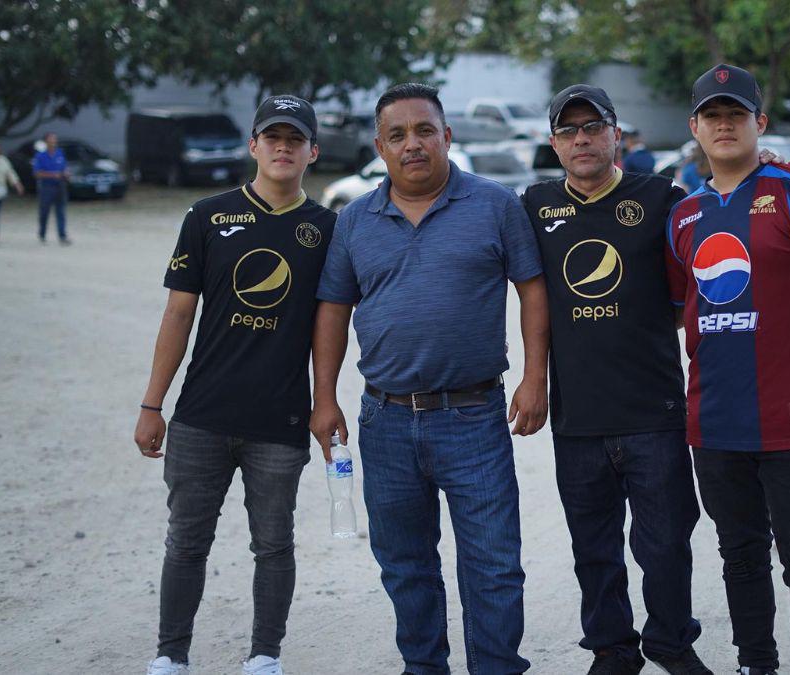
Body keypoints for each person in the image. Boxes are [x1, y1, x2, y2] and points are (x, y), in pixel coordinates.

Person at [309, 83, 550, 675]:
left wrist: (534, 377)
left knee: (493, 565)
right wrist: (323, 399)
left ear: (448, 135)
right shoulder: (356, 220)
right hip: (384, 421)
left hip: (474, 417)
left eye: (424, 131)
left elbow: (533, 289)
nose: (412, 144)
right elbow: (333, 311)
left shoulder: (495, 205)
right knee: (406, 565)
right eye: (397, 135)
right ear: (380, 146)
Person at [665, 64, 790, 675]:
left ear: (761, 122)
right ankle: (757, 664)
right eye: (712, 116)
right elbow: (679, 312)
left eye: (737, 114)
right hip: (716, 419)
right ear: (695, 127)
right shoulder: (682, 216)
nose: (724, 125)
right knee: (740, 556)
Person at [133, 94, 334, 675]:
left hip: (280, 422)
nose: (282, 147)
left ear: (312, 152)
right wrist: (153, 404)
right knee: (186, 544)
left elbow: (329, 325)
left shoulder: (326, 229)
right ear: (253, 146)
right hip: (201, 416)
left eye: (295, 139)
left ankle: (265, 657)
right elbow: (177, 316)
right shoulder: (207, 216)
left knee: (273, 546)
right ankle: (171, 656)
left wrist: (325, 401)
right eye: (272, 137)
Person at [520, 84, 710, 675]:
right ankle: (612, 648)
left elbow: (724, 211)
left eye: (592, 127)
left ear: (615, 134)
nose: (581, 139)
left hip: (654, 410)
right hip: (578, 415)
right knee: (594, 549)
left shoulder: (663, 198)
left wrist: (768, 164)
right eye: (568, 130)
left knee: (666, 546)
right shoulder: (532, 206)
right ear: (554, 143)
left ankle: (672, 642)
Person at [33, 132, 71, 245]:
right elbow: (37, 173)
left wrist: (66, 173)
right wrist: (53, 175)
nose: (53, 141)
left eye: (54, 139)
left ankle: (62, 235)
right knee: (44, 212)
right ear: (46, 141)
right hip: (46, 187)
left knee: (61, 211)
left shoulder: (60, 154)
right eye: (50, 139)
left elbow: (64, 167)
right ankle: (42, 234)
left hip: (60, 186)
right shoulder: (40, 156)